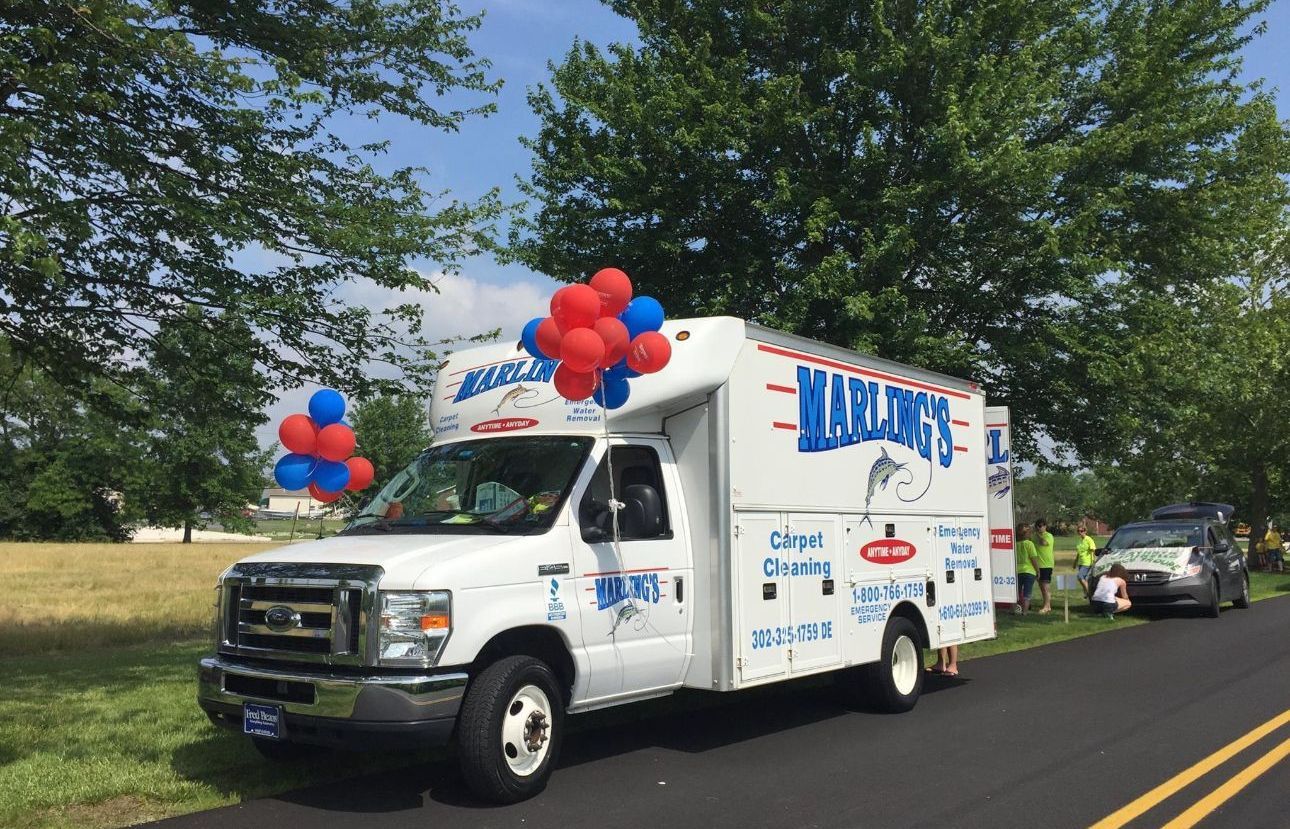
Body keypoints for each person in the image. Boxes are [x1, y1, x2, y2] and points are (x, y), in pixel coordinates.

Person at [1013, 523, 1040, 615]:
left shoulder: (1015, 544)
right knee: (1027, 594)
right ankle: (1025, 612)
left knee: (1016, 593)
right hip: (1029, 571)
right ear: (1027, 534)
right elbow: (1033, 559)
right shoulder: (1029, 544)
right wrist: (1038, 571)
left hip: (1017, 571)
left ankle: (1013, 610)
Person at [1033, 519, 1055, 614]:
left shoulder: (1048, 535)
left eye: (1041, 525)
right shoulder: (1033, 537)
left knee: (1045, 587)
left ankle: (1046, 606)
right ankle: (1047, 605)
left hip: (1046, 564)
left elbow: (1044, 543)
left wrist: (1038, 535)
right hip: (1038, 565)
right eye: (1037, 526)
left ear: (1045, 526)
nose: (1039, 527)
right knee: (1041, 586)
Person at [1073, 524, 1097, 598]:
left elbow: (1093, 550)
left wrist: (1093, 561)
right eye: (1079, 531)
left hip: (1087, 562)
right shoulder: (1079, 541)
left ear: (1085, 531)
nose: (1080, 532)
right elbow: (1079, 553)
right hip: (1081, 562)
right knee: (1083, 578)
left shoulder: (1089, 539)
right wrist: (1075, 562)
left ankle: (1089, 593)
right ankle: (1086, 593)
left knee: (1080, 577)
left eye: (1082, 531)